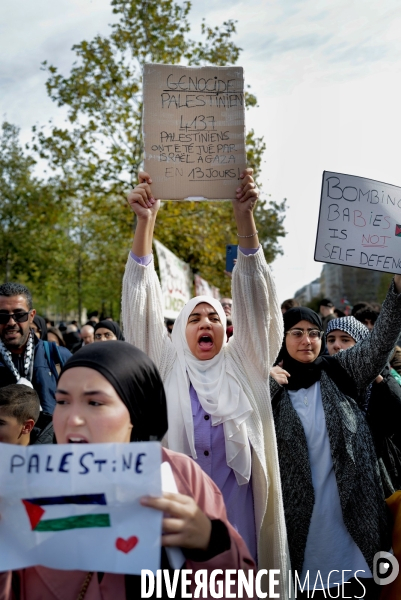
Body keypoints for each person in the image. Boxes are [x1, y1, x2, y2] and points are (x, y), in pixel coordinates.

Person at [122, 169, 289, 585]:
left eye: (213, 316)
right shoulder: (165, 364)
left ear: (225, 327)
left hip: (241, 522)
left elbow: (257, 302)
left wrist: (244, 218)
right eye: (193, 317)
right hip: (182, 527)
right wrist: (146, 222)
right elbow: (141, 303)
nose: (204, 322)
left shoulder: (244, 364)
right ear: (179, 330)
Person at [0, 341, 256, 600]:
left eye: (95, 403)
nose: (72, 419)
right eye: (63, 401)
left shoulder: (179, 475)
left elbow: (242, 589)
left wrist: (210, 543)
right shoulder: (29, 487)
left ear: (136, 410)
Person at [269, 278, 401, 598]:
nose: (307, 341)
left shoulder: (340, 371)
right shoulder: (268, 388)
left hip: (353, 535)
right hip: (301, 539)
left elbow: (379, 344)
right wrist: (264, 382)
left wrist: (397, 291)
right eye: (297, 333)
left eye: (314, 333)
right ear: (281, 338)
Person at [326, 316, 401, 496]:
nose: (336, 345)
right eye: (331, 339)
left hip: (378, 474)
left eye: (345, 339)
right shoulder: (321, 375)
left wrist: (377, 377)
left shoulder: (380, 376)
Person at [0, 282, 71, 413]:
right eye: (3, 316)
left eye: (19, 315)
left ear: (31, 316)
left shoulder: (59, 357)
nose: (11, 322)